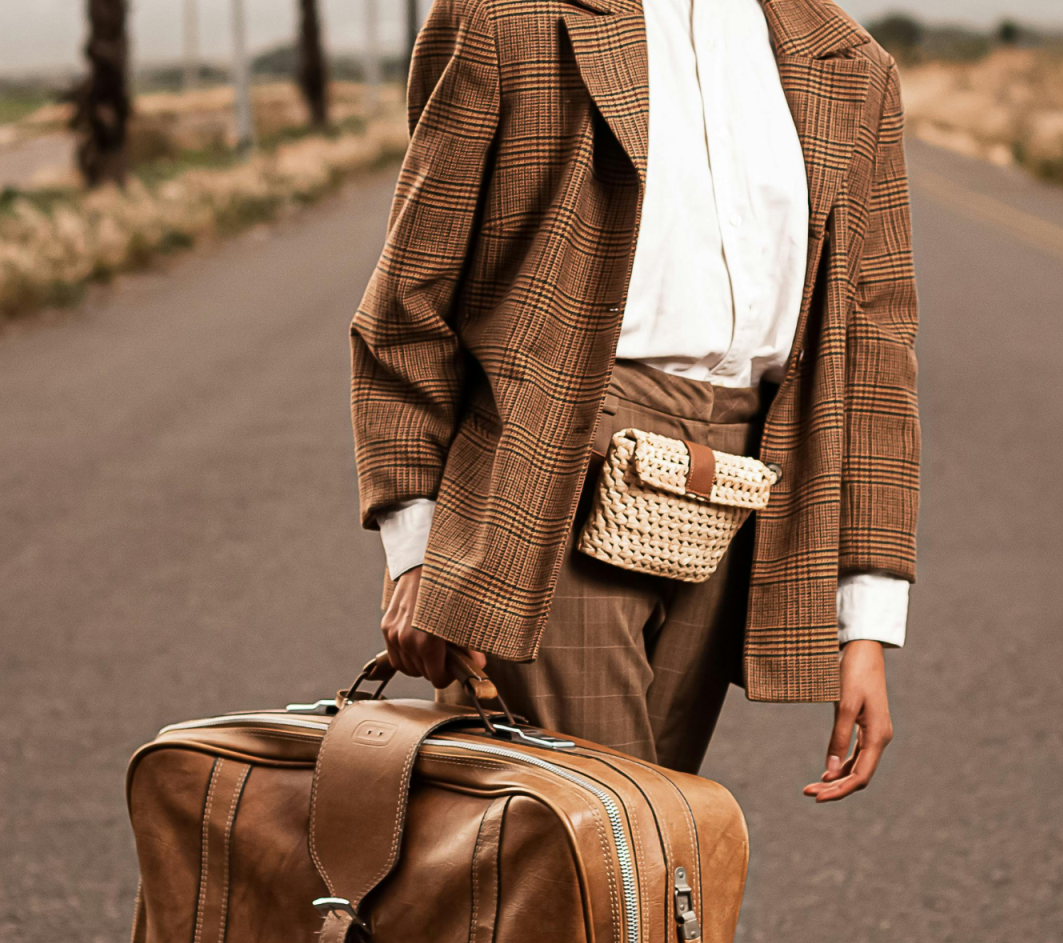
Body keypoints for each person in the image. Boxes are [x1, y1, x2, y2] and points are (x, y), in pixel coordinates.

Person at [351, 0, 919, 803]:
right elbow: (409, 302)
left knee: (654, 833)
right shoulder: (509, 16)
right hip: (552, 465)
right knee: (594, 832)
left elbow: (874, 350)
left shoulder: (849, 63)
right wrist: (416, 547)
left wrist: (867, 621)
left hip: (737, 489)